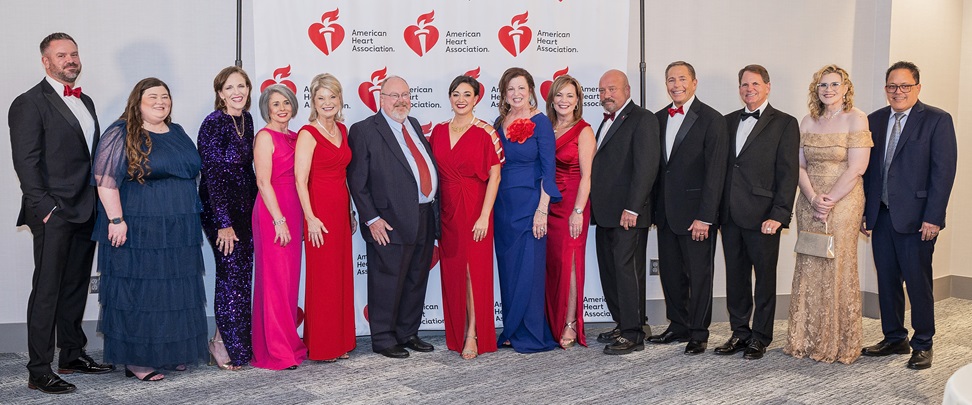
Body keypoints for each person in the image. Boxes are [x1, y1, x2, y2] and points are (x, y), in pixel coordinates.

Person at [9, 32, 113, 394]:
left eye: (74, 54)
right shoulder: (29, 103)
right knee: (47, 291)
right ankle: (38, 370)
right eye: (62, 55)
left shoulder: (86, 101)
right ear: (46, 62)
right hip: (54, 211)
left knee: (75, 286)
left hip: (86, 208)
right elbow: (26, 162)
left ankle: (72, 353)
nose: (70, 60)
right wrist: (45, 207)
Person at [92, 77, 209, 381]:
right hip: (141, 225)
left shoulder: (179, 131)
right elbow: (105, 180)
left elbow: (191, 172)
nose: (161, 101)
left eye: (165, 96)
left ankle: (168, 353)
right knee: (141, 292)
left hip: (178, 228)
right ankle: (138, 360)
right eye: (153, 97)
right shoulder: (121, 133)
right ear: (137, 103)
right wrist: (116, 221)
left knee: (173, 291)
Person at [860, 61, 957, 370]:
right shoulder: (874, 120)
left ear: (918, 87)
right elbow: (868, 173)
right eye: (892, 86)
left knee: (918, 283)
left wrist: (934, 217)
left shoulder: (937, 120)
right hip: (883, 215)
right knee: (886, 280)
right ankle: (894, 337)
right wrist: (866, 212)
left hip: (918, 219)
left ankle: (923, 342)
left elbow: (943, 173)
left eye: (904, 86)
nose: (897, 92)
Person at [783, 64, 871, 365]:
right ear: (816, 90)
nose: (829, 90)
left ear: (846, 88)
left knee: (838, 265)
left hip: (844, 201)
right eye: (823, 85)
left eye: (835, 84)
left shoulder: (856, 118)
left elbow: (857, 167)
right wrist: (812, 197)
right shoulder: (808, 121)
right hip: (809, 201)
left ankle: (837, 341)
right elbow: (799, 166)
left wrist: (830, 199)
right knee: (809, 264)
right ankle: (805, 338)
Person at [347, 75, 439, 359]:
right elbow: (357, 181)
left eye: (405, 95)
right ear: (381, 98)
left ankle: (407, 331)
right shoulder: (364, 130)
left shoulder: (411, 124)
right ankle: (384, 338)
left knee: (415, 278)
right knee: (387, 280)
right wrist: (372, 219)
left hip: (424, 215)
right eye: (394, 95)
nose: (401, 100)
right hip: (388, 221)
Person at [714, 65, 799, 360]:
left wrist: (779, 214)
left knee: (764, 279)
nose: (748, 89)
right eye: (744, 85)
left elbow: (788, 173)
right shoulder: (726, 122)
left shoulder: (785, 123)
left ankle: (760, 337)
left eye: (754, 84)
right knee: (735, 277)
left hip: (764, 216)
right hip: (730, 214)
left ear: (767, 86)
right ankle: (740, 332)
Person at [650, 61, 728, 355]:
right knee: (670, 273)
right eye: (671, 79)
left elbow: (715, 173)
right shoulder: (658, 119)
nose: (676, 84)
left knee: (699, 275)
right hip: (666, 213)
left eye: (682, 79)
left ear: (694, 82)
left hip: (697, 215)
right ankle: (678, 325)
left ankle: (698, 332)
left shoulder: (712, 119)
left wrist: (706, 217)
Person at [430, 75, 503, 359]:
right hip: (447, 211)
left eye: (467, 94)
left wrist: (484, 215)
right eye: (456, 94)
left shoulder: (487, 132)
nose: (461, 99)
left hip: (475, 207)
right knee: (453, 271)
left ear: (476, 99)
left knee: (474, 272)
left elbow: (495, 177)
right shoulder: (437, 131)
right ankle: (457, 330)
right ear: (450, 98)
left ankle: (473, 332)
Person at [587, 70, 659, 355]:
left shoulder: (643, 119)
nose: (606, 95)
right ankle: (622, 323)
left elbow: (646, 167)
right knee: (611, 272)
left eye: (612, 89)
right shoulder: (605, 122)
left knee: (628, 272)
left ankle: (633, 332)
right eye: (602, 91)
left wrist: (633, 207)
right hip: (605, 214)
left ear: (627, 90)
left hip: (628, 214)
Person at [493, 67, 562, 353]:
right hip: (502, 206)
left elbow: (549, 169)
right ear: (504, 93)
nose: (516, 94)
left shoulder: (542, 122)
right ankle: (512, 329)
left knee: (530, 270)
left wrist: (542, 211)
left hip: (530, 204)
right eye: (511, 89)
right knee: (509, 271)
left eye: (521, 88)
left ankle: (532, 333)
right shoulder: (499, 122)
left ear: (531, 90)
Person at [197, 66, 257, 370]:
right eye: (230, 87)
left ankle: (233, 342)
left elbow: (250, 170)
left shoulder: (246, 119)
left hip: (246, 207)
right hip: (220, 210)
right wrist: (223, 222)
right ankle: (220, 345)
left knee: (242, 278)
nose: (238, 92)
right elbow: (212, 175)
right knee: (231, 275)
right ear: (220, 93)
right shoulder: (213, 124)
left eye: (242, 86)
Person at [294, 73, 356, 362]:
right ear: (313, 102)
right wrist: (310, 217)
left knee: (340, 277)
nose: (327, 102)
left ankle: (340, 341)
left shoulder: (342, 130)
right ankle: (322, 345)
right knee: (323, 280)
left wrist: (351, 210)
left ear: (340, 99)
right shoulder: (308, 133)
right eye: (321, 98)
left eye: (332, 96)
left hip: (340, 210)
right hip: (319, 212)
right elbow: (299, 179)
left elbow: (345, 176)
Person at [250, 85, 307, 370]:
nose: (282, 108)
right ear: (266, 109)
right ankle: (275, 350)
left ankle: (289, 342)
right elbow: (263, 181)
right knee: (274, 282)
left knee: (288, 284)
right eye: (275, 104)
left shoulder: (298, 137)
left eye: (286, 102)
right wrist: (279, 220)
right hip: (274, 212)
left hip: (294, 210)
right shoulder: (264, 137)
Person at [544, 75, 596, 350]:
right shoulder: (547, 127)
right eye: (559, 95)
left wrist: (578, 211)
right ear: (552, 99)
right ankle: (552, 320)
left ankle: (570, 323)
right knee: (552, 265)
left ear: (578, 102)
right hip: (547, 207)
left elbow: (588, 176)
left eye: (570, 96)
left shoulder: (584, 131)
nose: (564, 101)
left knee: (570, 264)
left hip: (572, 206)